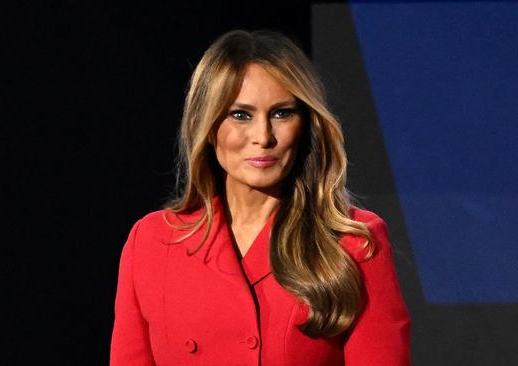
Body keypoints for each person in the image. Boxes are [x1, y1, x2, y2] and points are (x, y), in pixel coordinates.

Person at [110, 29, 410, 366]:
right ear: (207, 126)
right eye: (241, 115)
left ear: (306, 123)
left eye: (282, 113)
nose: (263, 136)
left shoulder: (354, 242)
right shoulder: (152, 242)